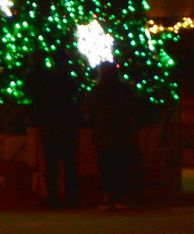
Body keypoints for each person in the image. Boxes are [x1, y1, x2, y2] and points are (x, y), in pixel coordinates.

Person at [23, 48, 81, 209]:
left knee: (52, 164)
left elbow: (35, 96)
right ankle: (71, 197)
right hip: (67, 125)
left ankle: (53, 197)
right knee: (69, 164)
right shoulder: (67, 80)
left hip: (50, 125)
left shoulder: (45, 80)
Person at [86, 62, 138, 210]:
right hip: (122, 132)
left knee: (106, 166)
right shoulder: (124, 89)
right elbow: (133, 107)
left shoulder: (97, 90)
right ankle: (122, 197)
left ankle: (107, 197)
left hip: (103, 132)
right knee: (122, 165)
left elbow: (89, 107)